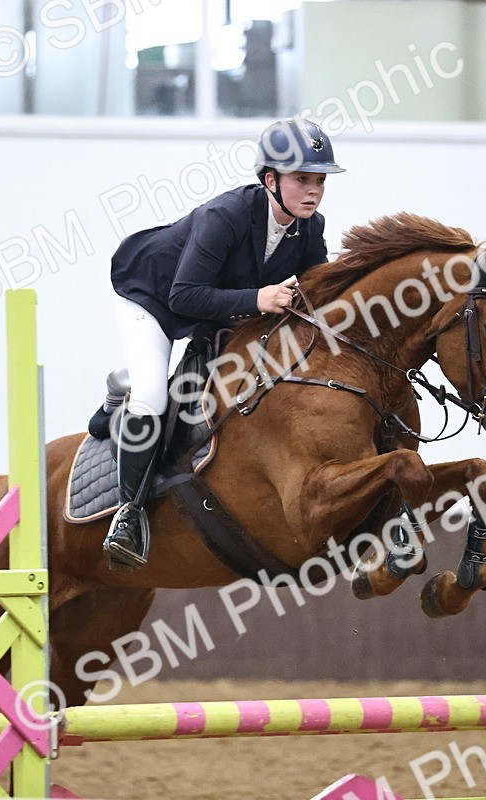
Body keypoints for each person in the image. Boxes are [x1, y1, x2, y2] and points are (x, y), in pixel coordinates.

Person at [102, 117, 345, 571]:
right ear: (270, 180)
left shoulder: (310, 228)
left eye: (319, 180)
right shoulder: (226, 216)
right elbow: (183, 295)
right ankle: (129, 514)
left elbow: (315, 297)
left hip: (213, 314)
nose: (313, 190)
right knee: (153, 394)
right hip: (152, 299)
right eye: (301, 179)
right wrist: (258, 299)